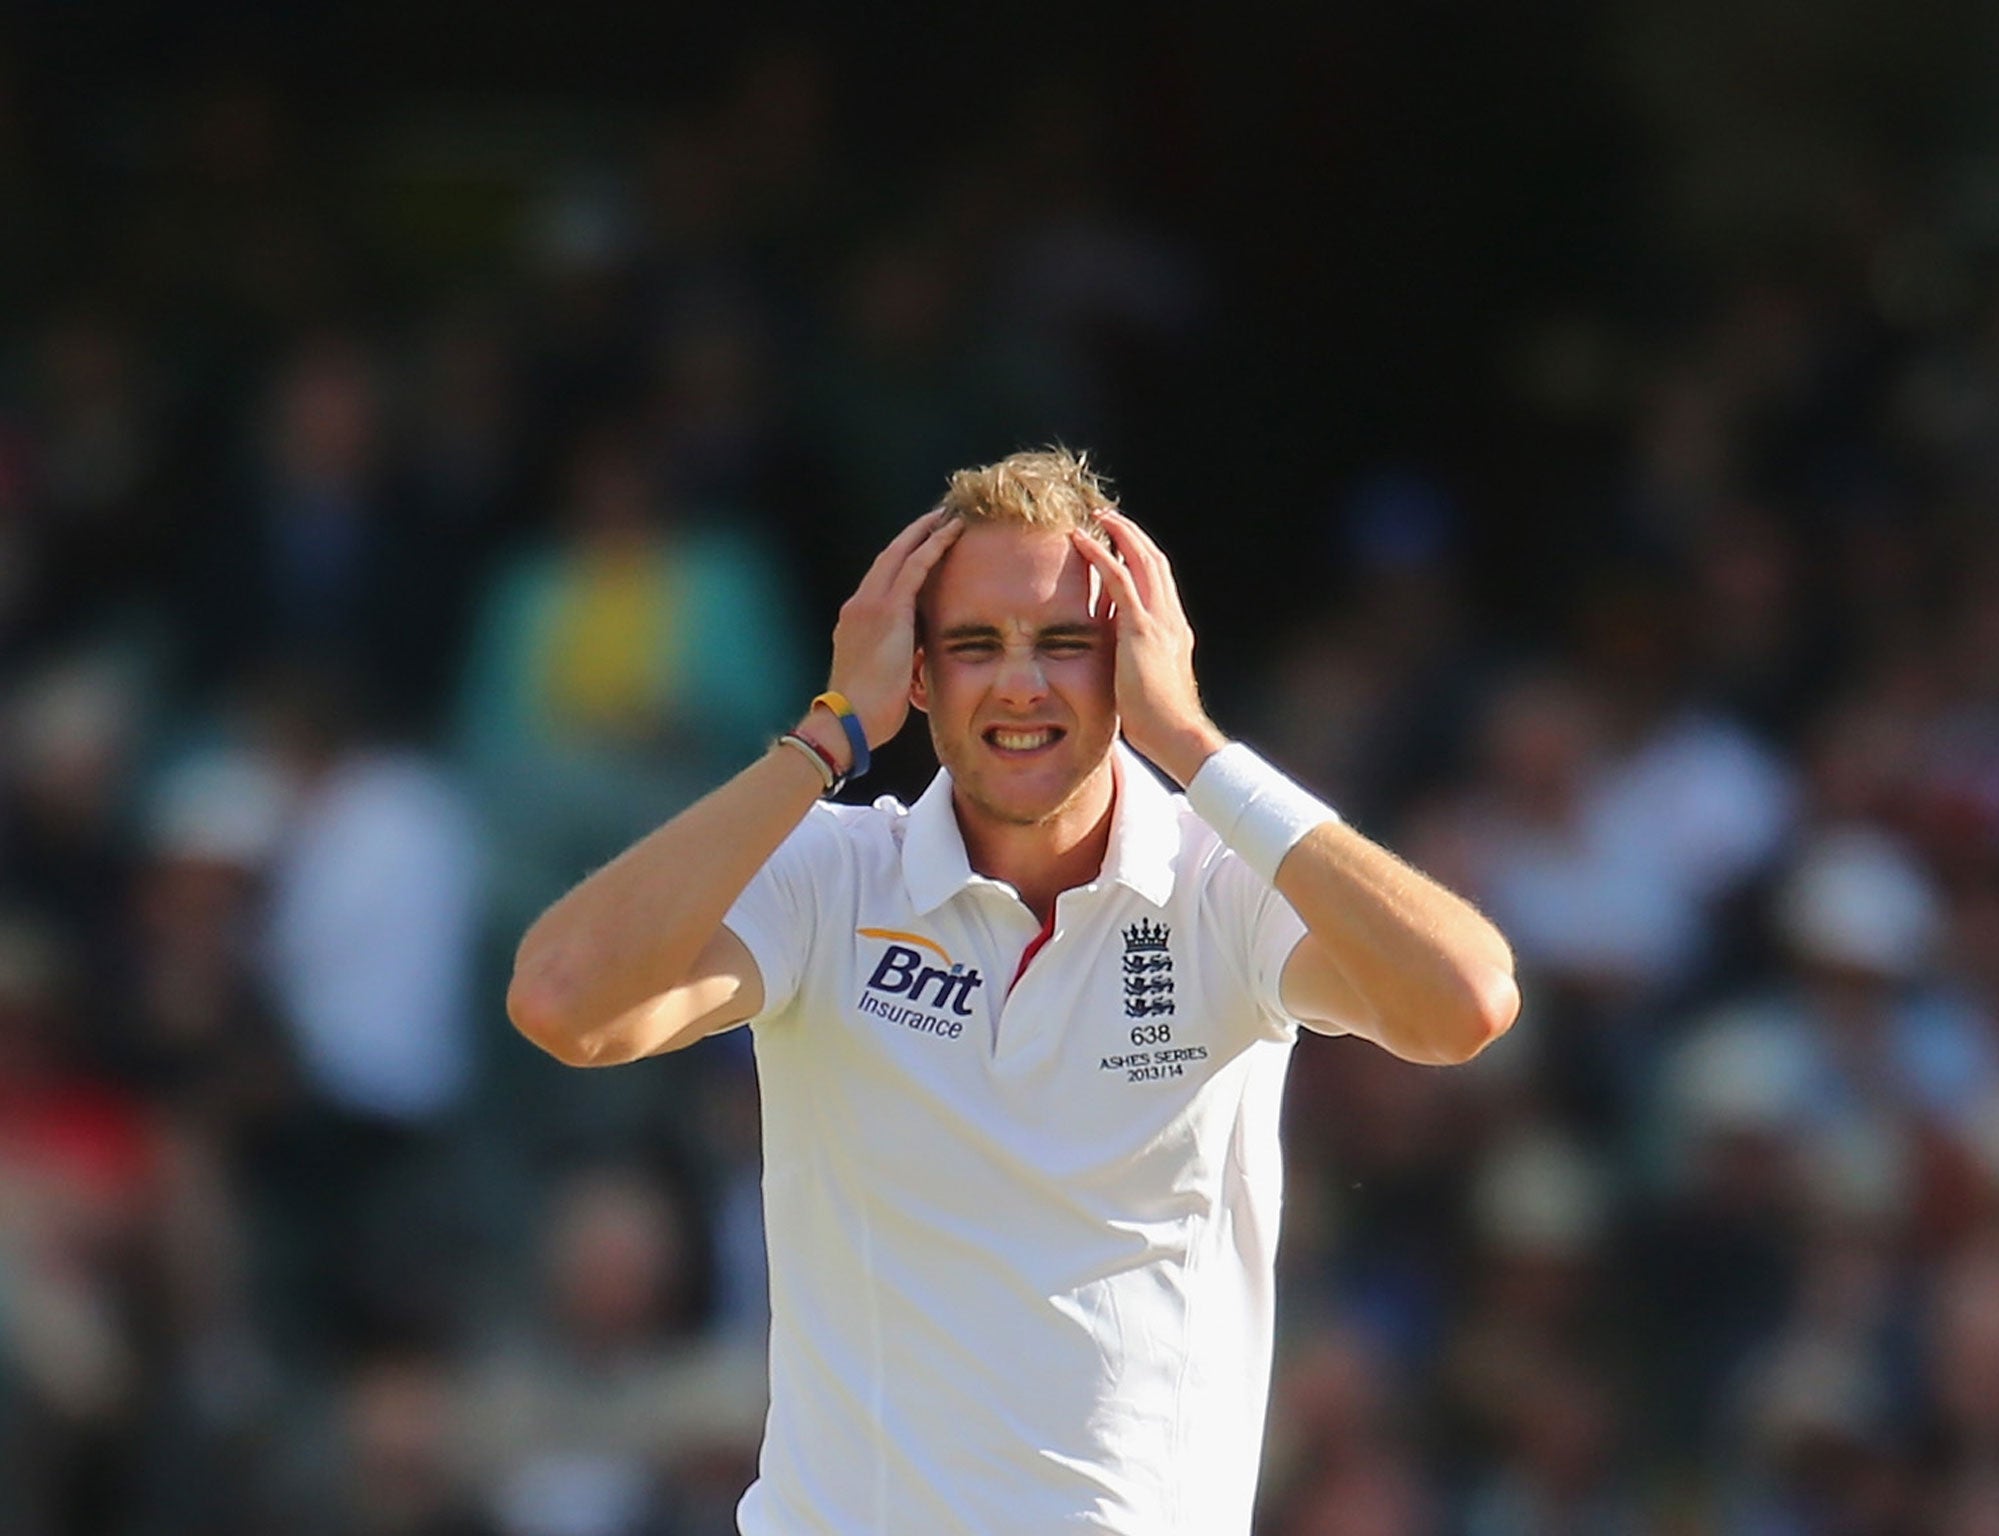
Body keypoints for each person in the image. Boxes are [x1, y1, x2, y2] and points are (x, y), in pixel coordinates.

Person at [507, 448, 1521, 1535]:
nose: (1021, 683)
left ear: (1131, 661)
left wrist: (1190, 742)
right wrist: (821, 736)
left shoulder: (1221, 882)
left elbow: (1461, 1002)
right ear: (916, 674)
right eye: (974, 645)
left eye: (1066, 644)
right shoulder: (830, 874)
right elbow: (567, 1000)